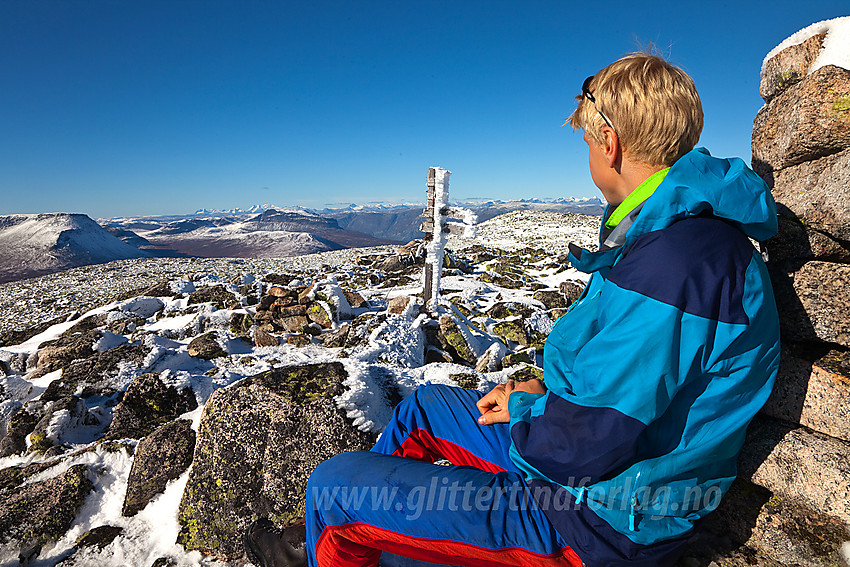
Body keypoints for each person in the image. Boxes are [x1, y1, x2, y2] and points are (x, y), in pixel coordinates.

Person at [244, 52, 781, 567]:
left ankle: (338, 533)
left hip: (600, 525)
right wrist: (544, 396)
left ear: (609, 143)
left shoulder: (676, 263)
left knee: (333, 487)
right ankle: (377, 534)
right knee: (423, 408)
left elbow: (586, 441)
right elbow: (633, 391)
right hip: (596, 475)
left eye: (588, 141)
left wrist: (531, 412)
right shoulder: (667, 237)